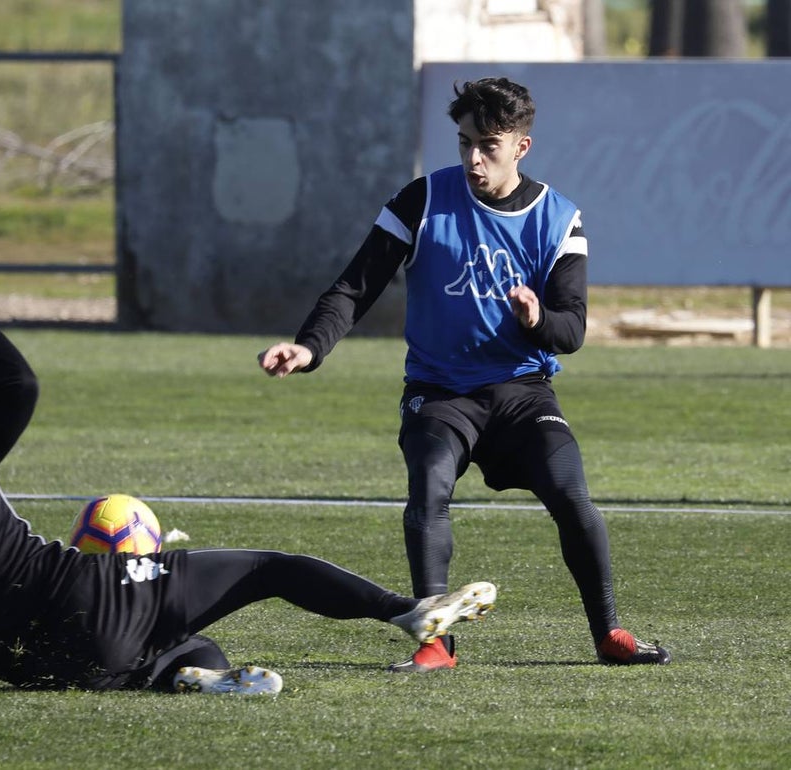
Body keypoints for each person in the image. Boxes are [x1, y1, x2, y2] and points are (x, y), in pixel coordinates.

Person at [0, 275, 497, 696]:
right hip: (90, 597)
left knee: (192, 644)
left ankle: (195, 680)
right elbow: (19, 384)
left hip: (49, 669)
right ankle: (408, 612)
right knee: (269, 570)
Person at [258, 78, 670, 673]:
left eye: (489, 145)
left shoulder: (559, 218)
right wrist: (309, 347)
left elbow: (572, 330)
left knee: (572, 496)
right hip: (440, 392)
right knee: (428, 488)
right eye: (464, 143)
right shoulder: (421, 201)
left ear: (522, 146)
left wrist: (536, 318)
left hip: (522, 393)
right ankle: (436, 642)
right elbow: (355, 287)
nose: (474, 158)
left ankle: (609, 632)